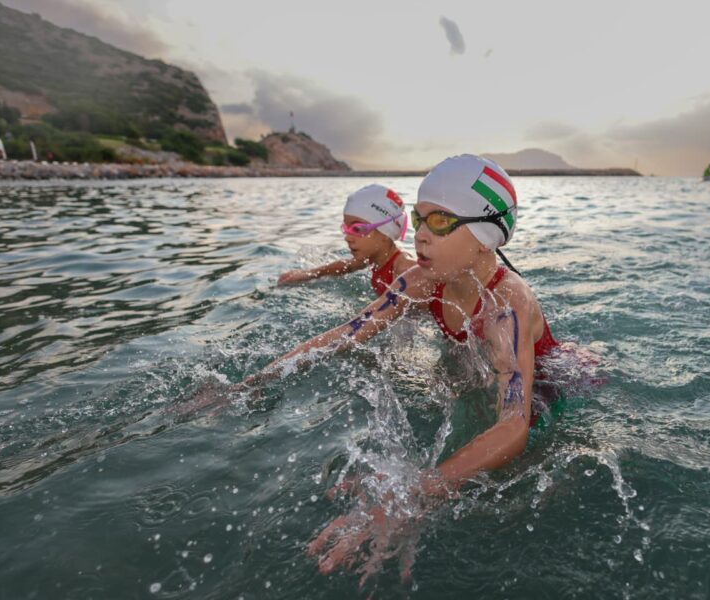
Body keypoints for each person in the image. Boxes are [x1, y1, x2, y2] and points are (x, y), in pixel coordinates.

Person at [214, 155, 562, 574]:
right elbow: (346, 333)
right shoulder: (422, 281)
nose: (420, 236)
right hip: (482, 368)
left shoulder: (507, 304)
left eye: (441, 222)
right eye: (419, 219)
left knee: (521, 487)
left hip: (552, 383)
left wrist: (413, 496)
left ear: (486, 234)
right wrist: (254, 381)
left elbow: (513, 427)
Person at [276, 184, 414, 295]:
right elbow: (346, 266)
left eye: (357, 229)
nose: (347, 238)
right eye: (346, 228)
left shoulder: (405, 270)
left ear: (386, 233)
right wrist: (309, 274)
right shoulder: (375, 258)